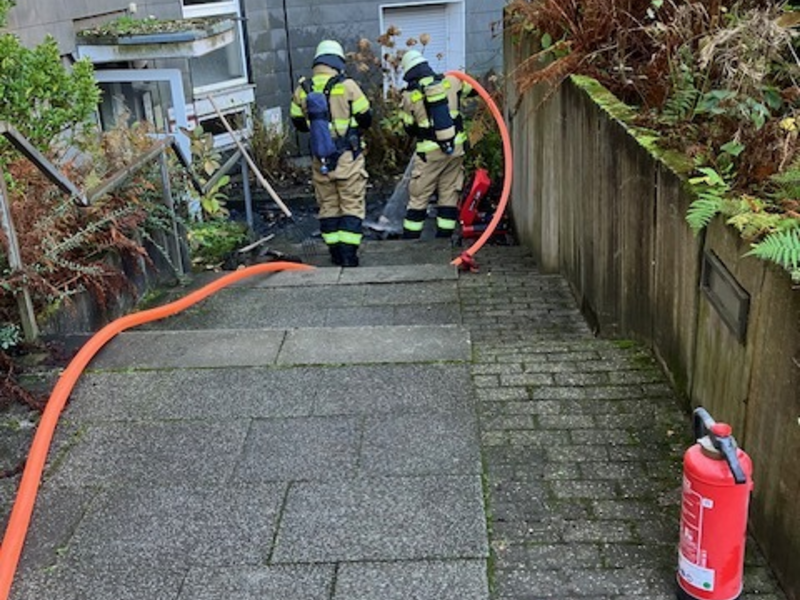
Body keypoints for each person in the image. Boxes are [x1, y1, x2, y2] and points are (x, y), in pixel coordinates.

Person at [290, 40, 372, 267]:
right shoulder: (348, 86)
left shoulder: (303, 89)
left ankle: (335, 254)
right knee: (351, 204)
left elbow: (299, 124)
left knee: (328, 206)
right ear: (337, 62)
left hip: (320, 158)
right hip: (347, 157)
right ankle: (349, 257)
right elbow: (366, 118)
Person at [398, 49, 474, 239]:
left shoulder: (410, 96)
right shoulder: (452, 82)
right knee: (449, 194)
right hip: (456, 151)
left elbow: (408, 128)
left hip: (430, 155)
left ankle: (409, 243)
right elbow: (473, 91)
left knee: (418, 198)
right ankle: (444, 241)